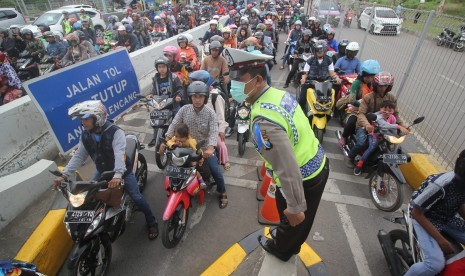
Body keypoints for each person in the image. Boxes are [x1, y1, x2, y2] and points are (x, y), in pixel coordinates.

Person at [224, 47, 329, 261]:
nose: (233, 85)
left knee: (292, 221)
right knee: (301, 223)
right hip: (316, 162)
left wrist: (294, 205)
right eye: (232, 78)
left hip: (302, 178)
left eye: (239, 80)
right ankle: (292, 244)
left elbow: (286, 166)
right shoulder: (278, 94)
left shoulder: (264, 121)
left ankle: (281, 249)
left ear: (258, 80)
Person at [54, 100, 159, 240]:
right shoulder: (85, 134)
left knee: (136, 196)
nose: (82, 123)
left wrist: (117, 175)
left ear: (97, 117)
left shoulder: (115, 132)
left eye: (85, 119)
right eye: (81, 119)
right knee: (88, 195)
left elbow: (119, 154)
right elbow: (79, 156)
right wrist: (64, 174)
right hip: (102, 170)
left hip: (122, 170)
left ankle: (152, 221)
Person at [165, 81, 229, 209]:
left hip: (203, 149)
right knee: (173, 167)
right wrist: (166, 140)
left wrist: (210, 148)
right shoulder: (184, 109)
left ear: (205, 98)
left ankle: (223, 193)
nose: (197, 99)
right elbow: (174, 124)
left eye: (200, 96)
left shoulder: (210, 113)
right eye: (195, 96)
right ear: (190, 97)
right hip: (185, 147)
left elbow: (213, 132)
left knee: (215, 170)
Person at [405, 150, 465, 275]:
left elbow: (458, 203)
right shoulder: (442, 185)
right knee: (434, 265)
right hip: (423, 216)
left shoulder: (461, 184)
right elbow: (417, 213)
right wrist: (441, 241)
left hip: (446, 217)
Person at [345, 71, 409, 168]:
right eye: (380, 85)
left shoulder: (392, 98)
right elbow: (361, 114)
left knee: (393, 145)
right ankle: (350, 157)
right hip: (365, 125)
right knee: (361, 142)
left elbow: (396, 114)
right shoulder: (368, 97)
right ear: (376, 85)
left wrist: (403, 126)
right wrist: (367, 125)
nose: (382, 88)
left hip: (383, 126)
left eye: (385, 86)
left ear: (389, 86)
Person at [190, 70, 231, 171]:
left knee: (220, 144)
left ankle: (225, 161)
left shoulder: (215, 97)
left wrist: (221, 130)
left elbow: (221, 115)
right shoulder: (193, 95)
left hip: (213, 128)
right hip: (197, 126)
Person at [337, 60, 380, 151]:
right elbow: (352, 100)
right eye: (368, 76)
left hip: (369, 110)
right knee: (352, 122)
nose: (370, 78)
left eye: (372, 76)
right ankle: (344, 137)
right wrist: (362, 104)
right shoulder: (357, 83)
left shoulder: (374, 85)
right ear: (363, 74)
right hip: (355, 109)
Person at [353, 100, 400, 175]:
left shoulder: (393, 118)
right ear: (381, 109)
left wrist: (397, 134)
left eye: (390, 110)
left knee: (395, 148)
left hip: (386, 136)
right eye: (385, 110)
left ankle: (393, 165)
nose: (387, 112)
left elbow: (393, 129)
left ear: (393, 111)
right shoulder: (377, 116)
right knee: (372, 147)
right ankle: (360, 164)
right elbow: (384, 125)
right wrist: (398, 126)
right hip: (374, 135)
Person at [148, 56, 185, 147]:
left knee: (178, 120)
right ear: (157, 68)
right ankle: (155, 138)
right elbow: (154, 90)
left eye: (163, 67)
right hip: (161, 104)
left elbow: (180, 89)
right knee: (156, 118)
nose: (161, 69)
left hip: (173, 104)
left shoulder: (173, 77)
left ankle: (179, 138)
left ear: (167, 67)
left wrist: (178, 96)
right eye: (159, 67)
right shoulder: (155, 79)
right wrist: (151, 95)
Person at [299, 40, 341, 111]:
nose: (319, 52)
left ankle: (334, 110)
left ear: (325, 51)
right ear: (315, 51)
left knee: (335, 90)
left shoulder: (329, 60)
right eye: (318, 50)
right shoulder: (310, 60)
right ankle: (300, 110)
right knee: (302, 96)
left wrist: (337, 78)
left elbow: (332, 73)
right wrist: (303, 79)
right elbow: (305, 73)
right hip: (311, 82)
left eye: (321, 51)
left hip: (325, 82)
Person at [162, 123, 206, 189]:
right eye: (177, 136)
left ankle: (201, 180)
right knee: (172, 168)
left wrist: (200, 159)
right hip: (178, 159)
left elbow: (197, 150)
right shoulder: (175, 139)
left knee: (193, 170)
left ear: (187, 136)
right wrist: (174, 144)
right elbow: (169, 142)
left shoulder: (191, 141)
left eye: (181, 137)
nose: (178, 139)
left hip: (188, 159)